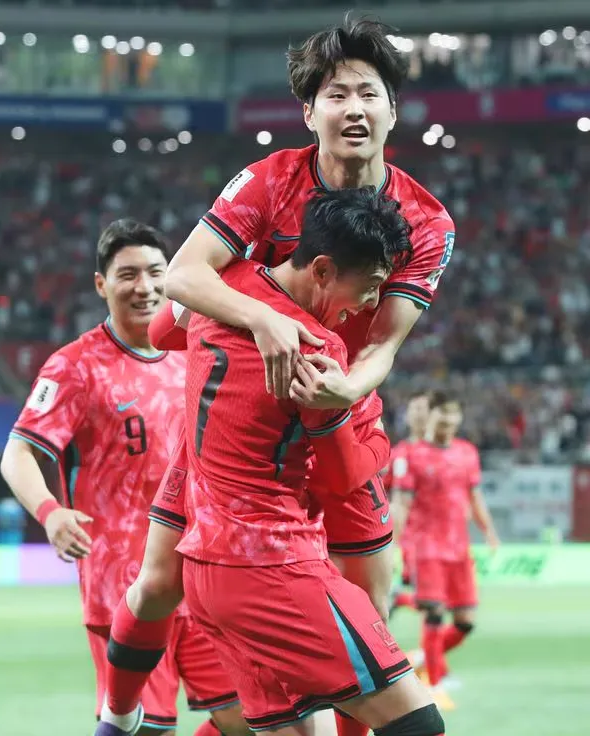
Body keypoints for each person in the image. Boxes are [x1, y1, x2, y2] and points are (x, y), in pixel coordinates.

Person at [101, 17, 454, 736]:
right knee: (160, 581)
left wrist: (347, 390)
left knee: (369, 610)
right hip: (244, 425)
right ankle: (119, 717)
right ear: (308, 111)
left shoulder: (427, 221)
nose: (353, 109)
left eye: (369, 94)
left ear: (393, 110)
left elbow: (384, 342)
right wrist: (263, 320)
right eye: (336, 94)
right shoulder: (270, 181)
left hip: (339, 412)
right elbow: (185, 278)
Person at [180, 188, 444, 736]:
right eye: (370, 285)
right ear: (322, 269)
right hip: (273, 568)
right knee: (418, 723)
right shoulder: (316, 352)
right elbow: (346, 477)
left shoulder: (223, 285)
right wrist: (379, 442)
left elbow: (164, 328)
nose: (370, 304)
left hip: (204, 568)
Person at [0, 220, 241, 736]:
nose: (145, 287)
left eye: (155, 272)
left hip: (200, 578)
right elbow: (17, 453)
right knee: (147, 729)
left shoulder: (196, 351)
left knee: (251, 719)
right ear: (101, 284)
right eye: (127, 274)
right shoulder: (75, 366)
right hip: (124, 589)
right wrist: (50, 512)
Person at [389, 391, 500, 710]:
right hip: (425, 546)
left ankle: (423, 658)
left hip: (459, 549)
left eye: (453, 413)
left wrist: (489, 531)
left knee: (465, 621)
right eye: (442, 413)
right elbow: (400, 503)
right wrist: (392, 542)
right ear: (432, 415)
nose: (448, 420)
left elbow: (475, 497)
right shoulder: (410, 455)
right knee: (434, 612)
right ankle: (434, 684)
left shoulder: (467, 453)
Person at [386, 391, 431, 618]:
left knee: (440, 601)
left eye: (424, 409)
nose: (419, 414)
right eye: (414, 409)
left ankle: (399, 597)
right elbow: (383, 491)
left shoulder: (449, 453)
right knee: (432, 603)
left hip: (440, 535)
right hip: (410, 538)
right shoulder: (399, 453)